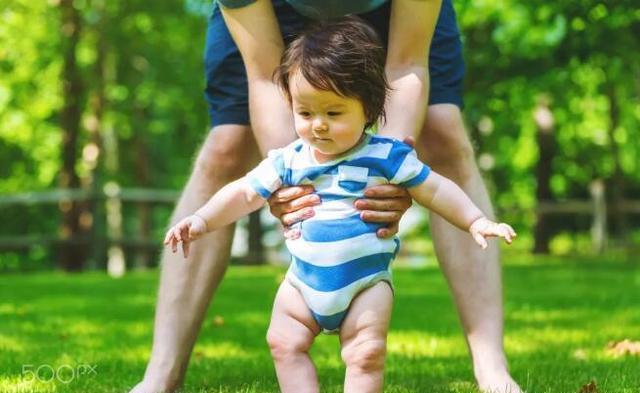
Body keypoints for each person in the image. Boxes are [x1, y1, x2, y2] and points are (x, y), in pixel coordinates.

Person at [131, 1, 523, 392]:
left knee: (444, 132)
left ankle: (490, 364)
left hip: (394, 15)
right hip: (266, 18)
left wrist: (389, 171)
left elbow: (405, 64)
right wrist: (289, 180)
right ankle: (162, 372)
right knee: (225, 148)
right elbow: (267, 76)